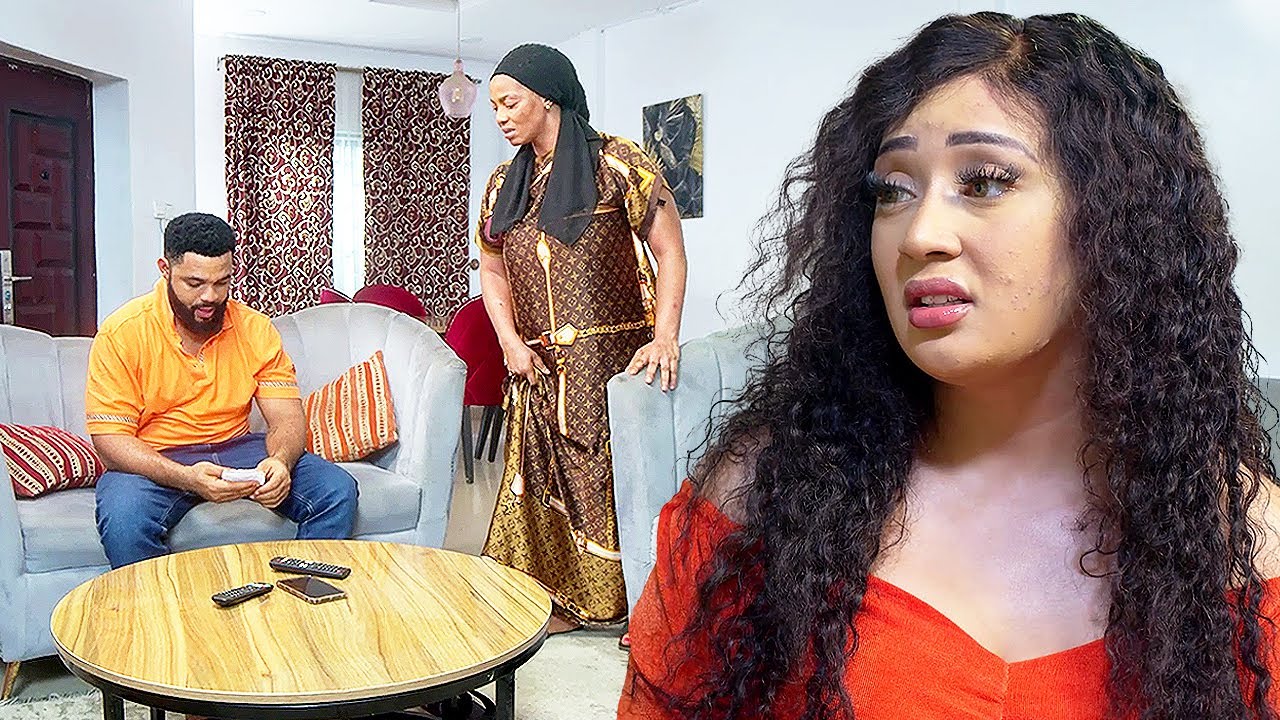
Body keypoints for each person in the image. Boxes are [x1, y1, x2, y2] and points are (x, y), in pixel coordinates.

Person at [621, 11, 1280, 720]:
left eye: (986, 182)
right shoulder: (765, 494)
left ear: (1116, 218)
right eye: (892, 191)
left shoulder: (1244, 549)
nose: (920, 234)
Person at [476, 44, 689, 634]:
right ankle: (553, 599)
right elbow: (492, 266)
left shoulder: (618, 162)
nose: (501, 117)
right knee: (540, 477)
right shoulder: (503, 184)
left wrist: (666, 337)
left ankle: (633, 604)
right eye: (494, 108)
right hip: (536, 363)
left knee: (607, 476)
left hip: (610, 361)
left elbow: (670, 249)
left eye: (510, 102)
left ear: (548, 98)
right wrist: (510, 342)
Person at [87, 212, 358, 569]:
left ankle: (297, 592)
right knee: (125, 521)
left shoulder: (255, 329)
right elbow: (110, 441)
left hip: (239, 449)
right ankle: (163, 608)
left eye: (222, 282)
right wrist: (186, 478)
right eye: (194, 283)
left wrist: (280, 461)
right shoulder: (122, 333)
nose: (210, 297)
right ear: (165, 270)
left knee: (337, 490)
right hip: (159, 456)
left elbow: (287, 420)